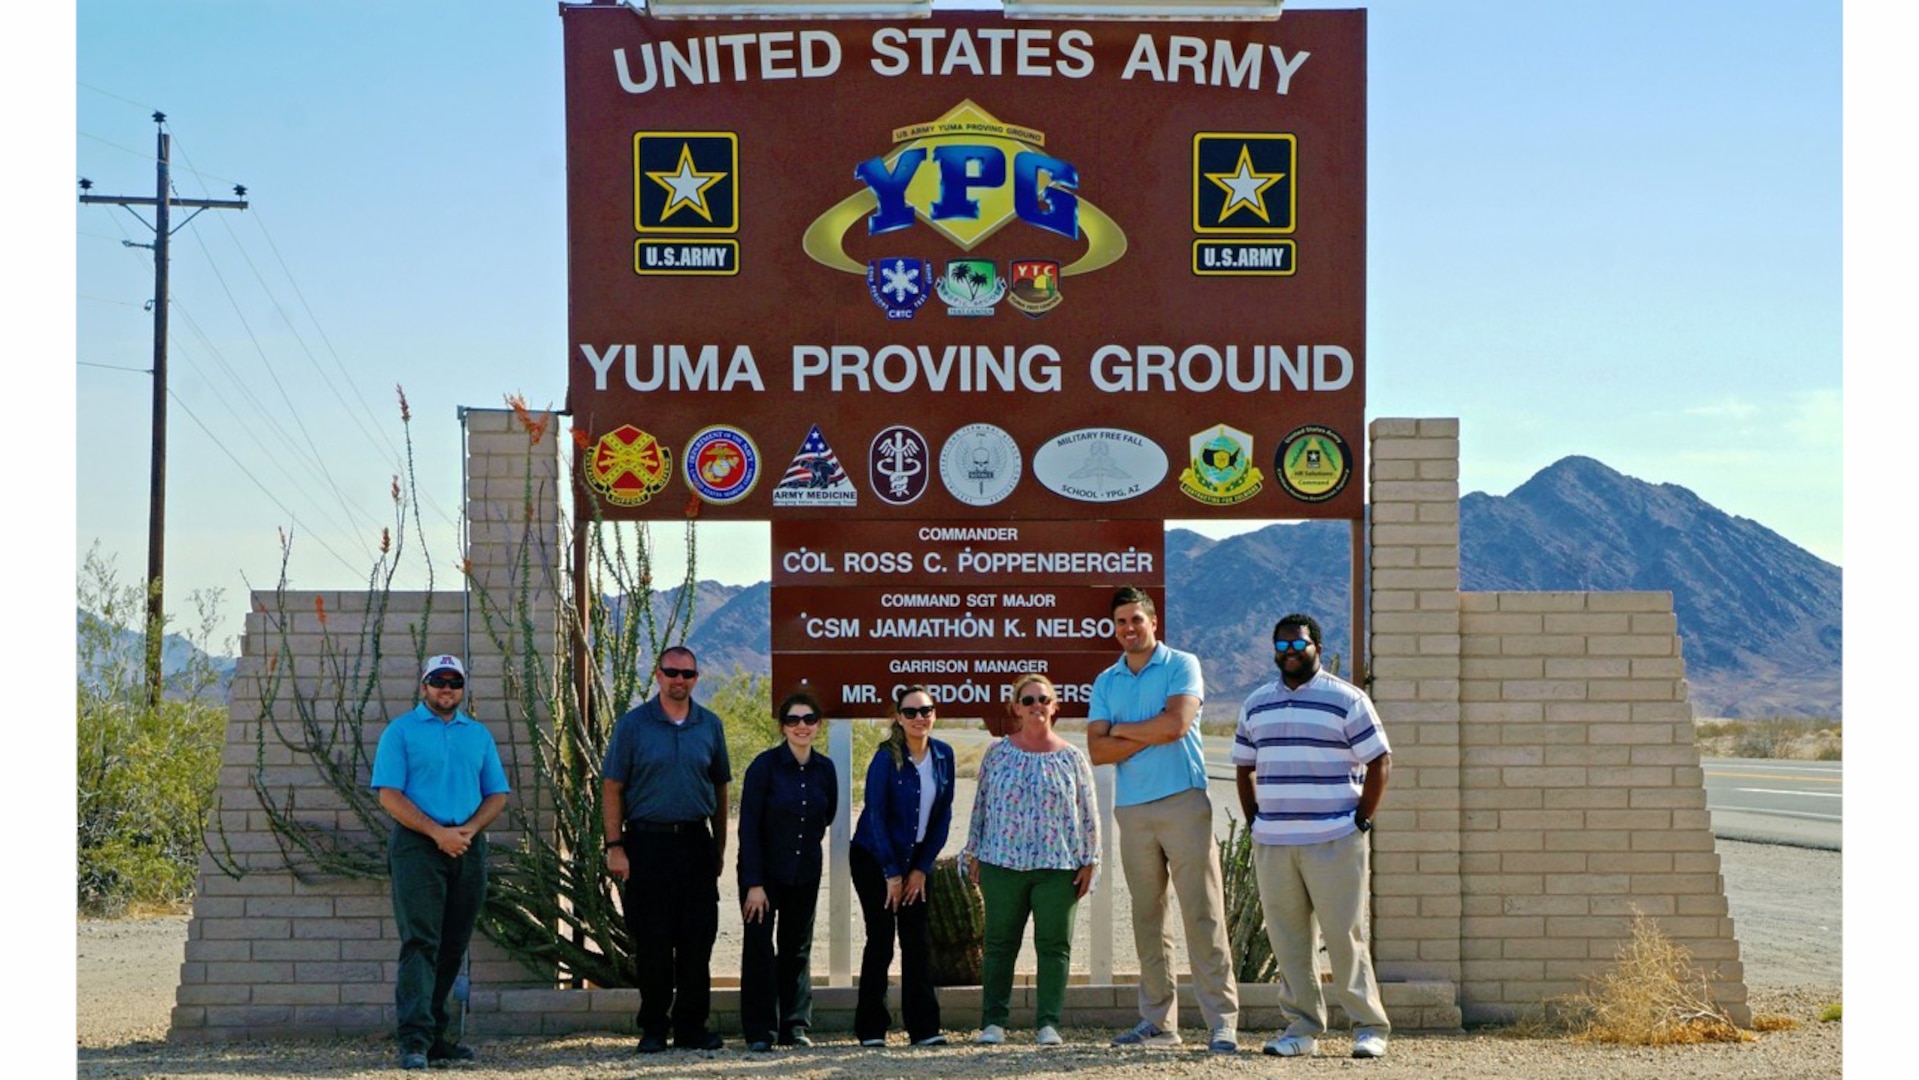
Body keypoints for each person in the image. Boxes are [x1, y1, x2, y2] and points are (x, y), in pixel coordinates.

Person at [1085, 586, 1240, 1053]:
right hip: (1133, 809)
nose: (1129, 629)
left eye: (1136, 619)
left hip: (1182, 801)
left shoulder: (1181, 665)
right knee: (1147, 916)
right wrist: (1148, 729)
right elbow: (1096, 749)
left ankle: (1221, 1022)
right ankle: (1158, 1021)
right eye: (1120, 622)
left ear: (1154, 622)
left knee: (1202, 912)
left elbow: (1177, 726)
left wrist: (1122, 731)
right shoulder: (1107, 680)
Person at [1232, 613, 1393, 1059]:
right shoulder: (1257, 703)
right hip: (1275, 843)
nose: (1289, 654)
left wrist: (1360, 821)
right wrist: (1256, 824)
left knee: (1344, 935)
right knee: (1289, 940)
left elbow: (1379, 760)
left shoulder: (1346, 699)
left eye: (1297, 645)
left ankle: (1368, 1026)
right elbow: (1244, 767)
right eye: (1281, 647)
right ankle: (1301, 1029)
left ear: (1316, 648)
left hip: (1334, 838)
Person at [369, 654, 510, 1071]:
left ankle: (437, 1039)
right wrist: (437, 834)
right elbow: (389, 795)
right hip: (418, 847)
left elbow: (497, 794)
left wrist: (466, 832)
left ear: (463, 689)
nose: (446, 689)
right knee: (420, 943)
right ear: (423, 686)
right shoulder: (401, 732)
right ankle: (413, 1040)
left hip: (467, 846)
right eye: (438, 681)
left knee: (453, 944)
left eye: (454, 682)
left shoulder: (478, 735)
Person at [601, 646, 732, 1053]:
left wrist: (719, 847)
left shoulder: (709, 725)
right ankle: (654, 1027)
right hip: (646, 843)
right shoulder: (634, 726)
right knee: (653, 940)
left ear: (697, 677)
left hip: (695, 841)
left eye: (688, 674)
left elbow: (721, 788)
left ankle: (691, 1027)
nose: (680, 680)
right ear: (657, 675)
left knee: (698, 941)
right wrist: (615, 846)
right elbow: (612, 788)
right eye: (672, 672)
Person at [962, 673, 1099, 1047]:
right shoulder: (998, 753)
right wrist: (973, 850)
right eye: (1028, 700)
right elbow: (982, 805)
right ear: (1016, 708)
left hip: (1058, 867)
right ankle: (993, 1022)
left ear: (1055, 706)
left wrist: (1090, 860)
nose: (1036, 705)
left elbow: (1088, 812)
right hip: (1001, 864)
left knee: (1054, 945)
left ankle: (1048, 1023)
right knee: (1000, 944)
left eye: (1043, 699)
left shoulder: (1072, 758)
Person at [849, 685, 956, 1048]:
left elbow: (942, 817)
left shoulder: (943, 756)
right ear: (898, 717)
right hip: (873, 858)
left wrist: (921, 869)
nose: (919, 718)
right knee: (880, 939)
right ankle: (871, 1029)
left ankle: (924, 1029)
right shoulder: (886, 758)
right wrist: (891, 873)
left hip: (915, 864)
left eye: (925, 710)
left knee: (917, 942)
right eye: (910, 712)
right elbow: (876, 816)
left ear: (934, 714)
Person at [736, 690, 838, 1052]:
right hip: (763, 873)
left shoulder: (825, 769)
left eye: (809, 719)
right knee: (760, 948)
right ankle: (760, 1030)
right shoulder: (764, 767)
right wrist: (754, 883)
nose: (802, 727)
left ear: (818, 725)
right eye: (793, 720)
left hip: (804, 870)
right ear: (783, 726)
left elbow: (827, 815)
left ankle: (794, 1025)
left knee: (797, 948)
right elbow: (748, 826)